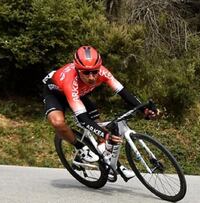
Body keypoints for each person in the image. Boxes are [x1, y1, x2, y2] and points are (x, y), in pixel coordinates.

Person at [42, 46, 158, 179]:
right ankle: (80, 148)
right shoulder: (70, 80)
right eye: (86, 73)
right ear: (77, 69)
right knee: (58, 122)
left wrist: (144, 108)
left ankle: (113, 165)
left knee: (99, 126)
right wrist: (107, 135)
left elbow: (123, 92)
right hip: (55, 93)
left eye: (94, 72)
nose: (91, 77)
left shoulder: (102, 72)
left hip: (78, 93)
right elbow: (82, 119)